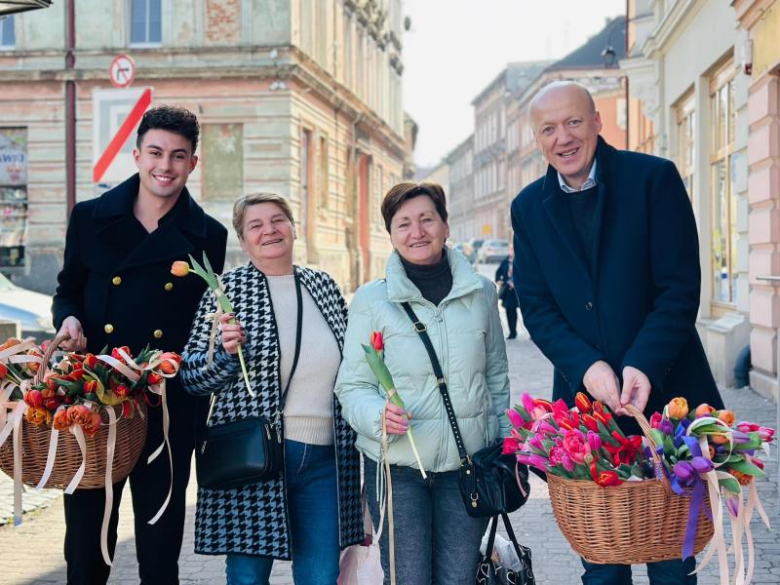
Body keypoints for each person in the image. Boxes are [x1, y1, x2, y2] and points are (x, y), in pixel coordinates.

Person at [510, 81, 724, 585]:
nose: (563, 137)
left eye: (574, 122)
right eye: (548, 129)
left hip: (668, 401)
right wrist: (586, 367)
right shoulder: (527, 207)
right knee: (602, 567)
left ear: (597, 122)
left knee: (673, 564)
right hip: (588, 417)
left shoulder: (654, 180)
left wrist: (642, 363)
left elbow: (679, 288)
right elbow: (538, 309)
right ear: (537, 139)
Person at [52, 105, 228, 584]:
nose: (164, 166)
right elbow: (69, 288)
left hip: (167, 411)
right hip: (95, 402)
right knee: (87, 550)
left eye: (178, 156)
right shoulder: (90, 218)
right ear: (136, 154)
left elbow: (203, 323)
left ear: (193, 163)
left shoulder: (208, 234)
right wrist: (68, 318)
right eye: (155, 152)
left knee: (158, 553)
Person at [179, 193, 362, 585]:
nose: (269, 231)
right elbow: (191, 377)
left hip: (325, 459)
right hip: (254, 456)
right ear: (243, 241)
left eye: (278, 220)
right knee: (248, 577)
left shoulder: (323, 286)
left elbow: (354, 365)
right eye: (256, 226)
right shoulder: (226, 291)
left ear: (293, 228)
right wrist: (225, 355)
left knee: (322, 576)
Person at [335, 182, 511, 585]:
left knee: (458, 578)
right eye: (403, 224)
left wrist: (504, 449)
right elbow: (352, 386)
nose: (417, 232)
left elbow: (496, 377)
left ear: (446, 225)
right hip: (397, 468)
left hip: (467, 465)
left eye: (427, 219)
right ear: (392, 234)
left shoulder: (482, 293)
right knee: (406, 578)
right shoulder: (370, 300)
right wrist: (377, 415)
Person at [495, 245, 519, 339]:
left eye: (513, 249)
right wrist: (498, 280)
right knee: (509, 311)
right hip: (507, 291)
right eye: (510, 249)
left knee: (518, 311)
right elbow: (498, 273)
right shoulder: (505, 262)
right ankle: (512, 332)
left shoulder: (519, 261)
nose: (511, 251)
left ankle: (530, 333)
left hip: (517, 291)